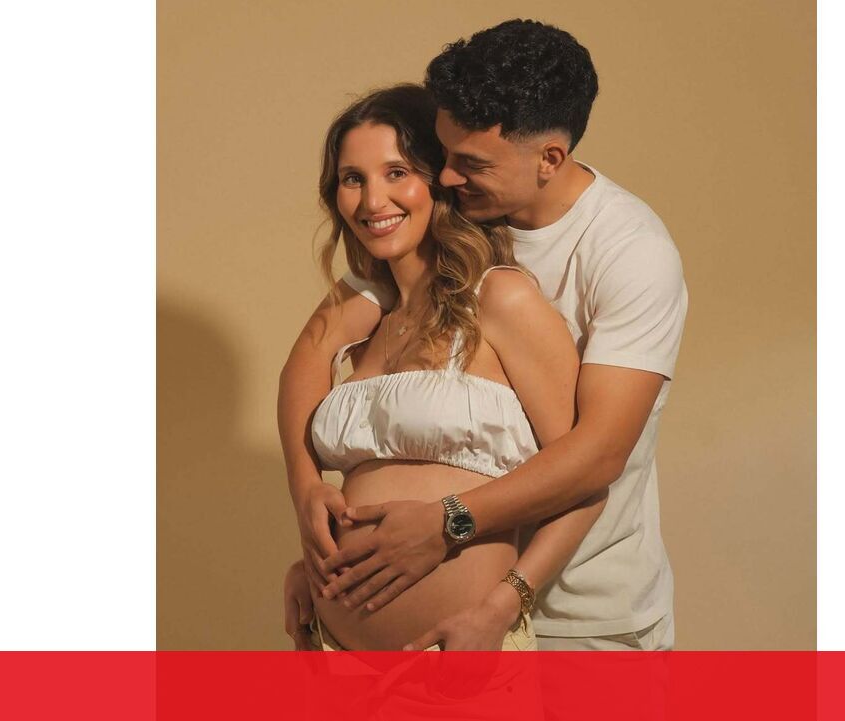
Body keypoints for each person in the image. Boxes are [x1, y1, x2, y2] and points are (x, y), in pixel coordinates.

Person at [284, 19, 687, 652]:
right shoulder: (434, 243)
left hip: (584, 609)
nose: (446, 177)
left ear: (549, 159)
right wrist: (319, 530)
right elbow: (307, 363)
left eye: (468, 163)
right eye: (442, 156)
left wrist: (450, 532)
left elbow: (595, 458)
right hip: (368, 644)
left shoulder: (627, 252)